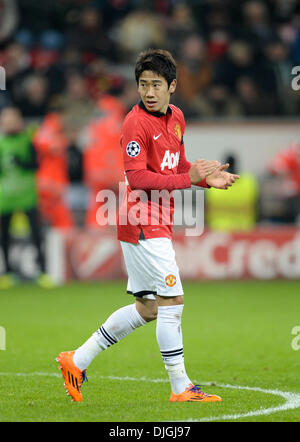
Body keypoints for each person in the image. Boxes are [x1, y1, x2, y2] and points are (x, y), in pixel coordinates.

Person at [56, 49, 239, 403]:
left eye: (156, 84)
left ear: (173, 85)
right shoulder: (134, 122)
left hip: (155, 222)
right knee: (173, 301)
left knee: (149, 309)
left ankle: (76, 361)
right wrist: (189, 179)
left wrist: (205, 180)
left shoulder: (177, 118)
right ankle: (180, 386)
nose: (149, 92)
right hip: (141, 221)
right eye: (143, 85)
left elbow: (177, 165)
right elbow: (138, 178)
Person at [0, 107, 54, 289]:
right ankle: (7, 273)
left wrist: (22, 163)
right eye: (6, 120)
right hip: (5, 197)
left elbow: (36, 164)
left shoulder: (27, 140)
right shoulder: (1, 142)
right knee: (4, 236)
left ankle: (43, 272)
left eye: (12, 119)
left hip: (27, 195)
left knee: (36, 234)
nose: (9, 123)